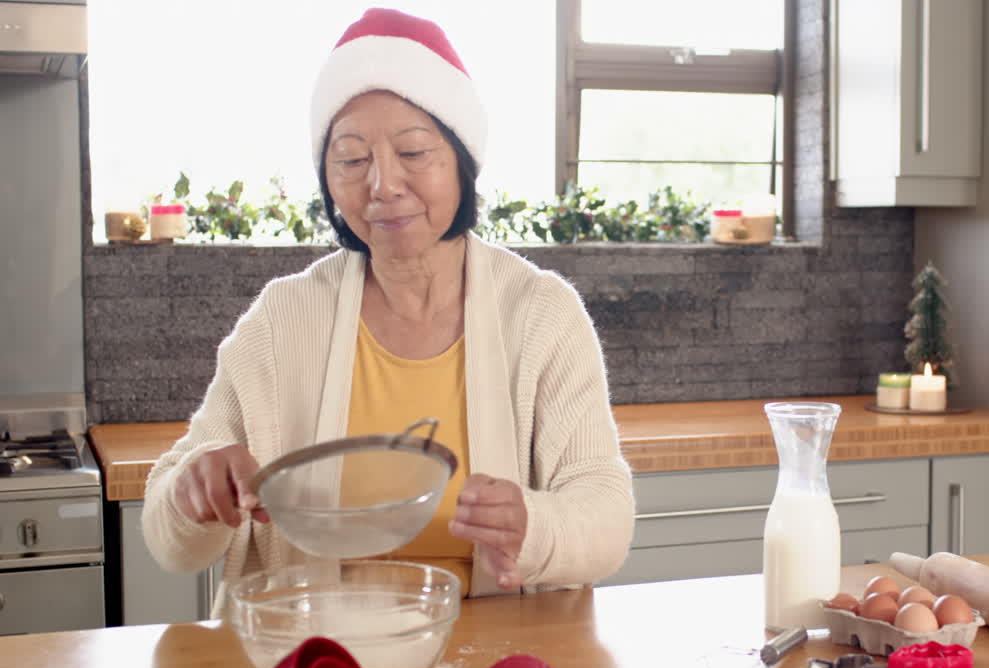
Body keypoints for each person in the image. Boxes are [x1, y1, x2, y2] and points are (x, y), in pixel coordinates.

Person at [141, 8, 634, 610]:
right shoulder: (283, 320)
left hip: (491, 654)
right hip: (313, 655)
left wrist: (535, 524)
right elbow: (170, 545)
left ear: (462, 162)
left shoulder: (540, 314)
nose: (382, 184)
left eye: (414, 152)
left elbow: (607, 514)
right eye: (351, 160)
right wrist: (194, 494)